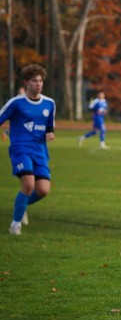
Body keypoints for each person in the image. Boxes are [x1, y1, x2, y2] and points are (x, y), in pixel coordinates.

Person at [0, 64, 56, 235]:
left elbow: (49, 127)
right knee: (28, 184)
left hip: (40, 151)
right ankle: (15, 225)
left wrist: (50, 135)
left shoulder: (49, 103)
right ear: (26, 82)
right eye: (34, 81)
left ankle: (21, 206)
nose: (38, 84)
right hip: (20, 148)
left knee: (43, 190)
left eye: (40, 81)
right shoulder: (16, 103)